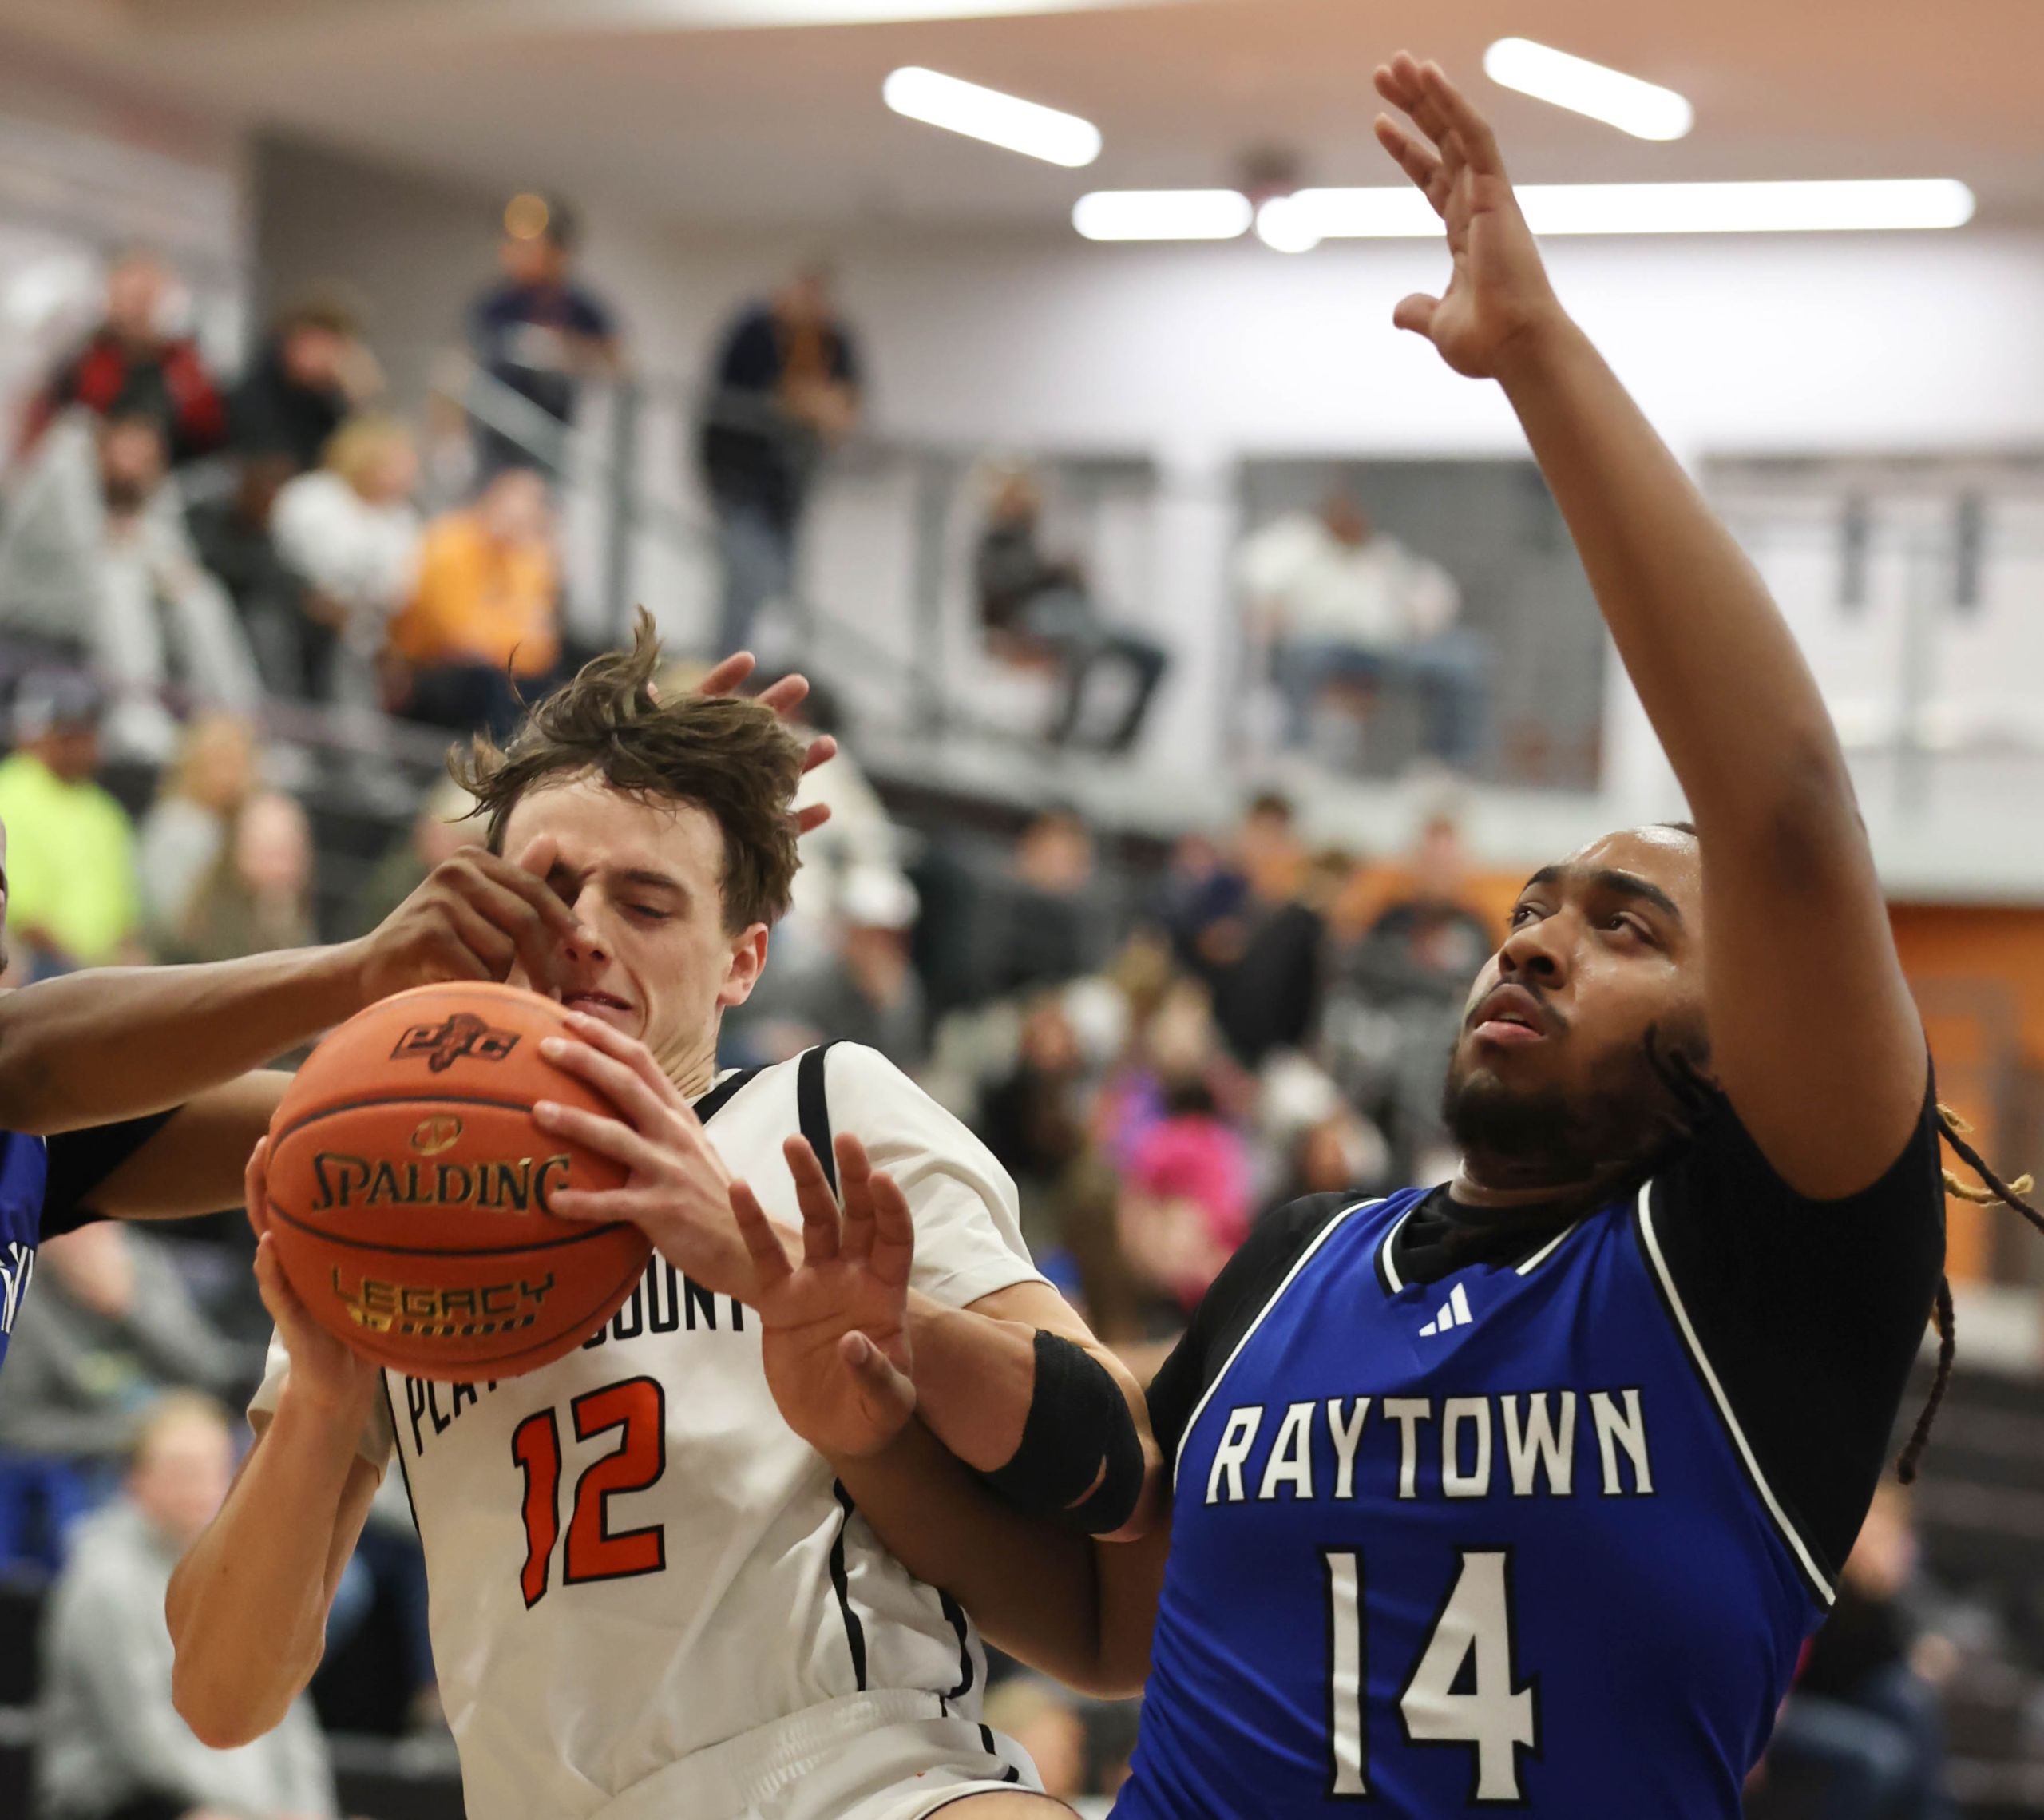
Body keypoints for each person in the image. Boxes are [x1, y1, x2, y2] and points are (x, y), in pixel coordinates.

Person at [724, 57, 1994, 1819]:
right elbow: (1098, 1621)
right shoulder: (1307, 1258)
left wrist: (1536, 357)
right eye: (1527, 907)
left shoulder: (1768, 1270)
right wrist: (863, 1429)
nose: (1531, 942)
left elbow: (1780, 808)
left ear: (1746, 1032)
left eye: (1622, 927)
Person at [166, 618, 1155, 1820]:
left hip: (852, 1770)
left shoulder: (822, 1109)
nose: (583, 928)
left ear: (742, 963)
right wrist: (325, 1401)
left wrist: (813, 1289)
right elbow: (220, 1694)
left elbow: (1125, 1454)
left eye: (644, 901)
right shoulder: (398, 1192)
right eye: (545, 890)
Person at [37, 1393, 338, 1820]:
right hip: (124, 1802)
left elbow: (289, 1720)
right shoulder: (104, 1581)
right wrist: (258, 1813)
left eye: (214, 1469)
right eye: (181, 1471)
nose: (199, 1486)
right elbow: (144, 1740)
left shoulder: (248, 1572)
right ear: (135, 1479)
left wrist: (312, 1815)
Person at [0, 411, 263, 754]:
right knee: (119, 580)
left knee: (200, 594)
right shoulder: (63, 470)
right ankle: (136, 713)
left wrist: (166, 562)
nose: (137, 464)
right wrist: (138, 546)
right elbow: (87, 559)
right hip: (34, 610)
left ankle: (239, 724)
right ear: (103, 445)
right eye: (129, 450)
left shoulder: (145, 490)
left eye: (148, 456)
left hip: (94, 615)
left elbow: (173, 561)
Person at [0, 1223, 244, 1572]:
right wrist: (129, 1434)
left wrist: (129, 1308)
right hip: (91, 1454)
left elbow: (210, 1370)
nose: (85, 1237)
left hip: (185, 1425)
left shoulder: (141, 1259)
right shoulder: (17, 1291)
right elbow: (14, 1426)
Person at [1238, 482, 1483, 768]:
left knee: (1461, 659)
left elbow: (1434, 598)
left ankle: (1444, 765)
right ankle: (1295, 755)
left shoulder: (1384, 553)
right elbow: (1258, 584)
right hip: (1322, 647)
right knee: (1301, 657)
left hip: (1387, 650)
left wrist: (1421, 618)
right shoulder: (1296, 547)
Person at [697, 264, 861, 654]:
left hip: (790, 486)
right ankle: (729, 663)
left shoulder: (832, 339)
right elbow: (763, 397)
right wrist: (808, 404)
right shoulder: (754, 332)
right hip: (738, 479)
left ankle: (765, 664)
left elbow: (848, 403)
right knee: (747, 578)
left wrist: (822, 408)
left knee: (780, 584)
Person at [975, 467, 1168, 753]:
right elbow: (999, 593)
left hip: (1079, 617)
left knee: (1155, 655)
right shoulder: (993, 543)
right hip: (1027, 621)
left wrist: (1072, 574)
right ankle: (1062, 734)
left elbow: (1074, 590)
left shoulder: (1035, 538)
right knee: (1081, 641)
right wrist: (1050, 570)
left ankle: (1120, 742)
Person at [386, 465, 562, 739]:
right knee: (489, 683)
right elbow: (454, 633)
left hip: (497, 670)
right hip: (430, 668)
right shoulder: (451, 542)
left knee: (547, 689)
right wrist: (506, 636)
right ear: (492, 499)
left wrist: (496, 638)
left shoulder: (529, 561)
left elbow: (541, 647)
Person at [15, 251, 227, 468]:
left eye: (147, 299)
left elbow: (210, 432)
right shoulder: (84, 360)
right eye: (130, 298)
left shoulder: (185, 367)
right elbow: (40, 428)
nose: (137, 311)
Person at [269, 414, 422, 706]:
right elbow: (289, 560)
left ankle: (352, 727)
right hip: (296, 605)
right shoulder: (314, 496)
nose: (407, 476)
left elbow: (399, 592)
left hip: (362, 626)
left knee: (372, 648)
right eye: (396, 465)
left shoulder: (404, 520)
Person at [466, 195, 620, 480]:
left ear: (558, 252)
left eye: (529, 246)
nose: (515, 254)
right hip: (496, 429)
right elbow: (463, 363)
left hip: (550, 434)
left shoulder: (581, 308)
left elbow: (616, 364)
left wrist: (565, 352)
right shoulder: (497, 305)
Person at [0, 675, 143, 979]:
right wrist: (83, 970)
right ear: (36, 734)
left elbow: (125, 915)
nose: (80, 747)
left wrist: (124, 963)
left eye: (87, 734)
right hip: (33, 963)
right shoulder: (8, 792)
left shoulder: (105, 810)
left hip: (102, 966)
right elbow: (22, 913)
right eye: (68, 735)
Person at [184, 454, 313, 698]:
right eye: (265, 486)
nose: (271, 496)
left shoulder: (282, 528)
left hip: (266, 610)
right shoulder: (209, 516)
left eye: (277, 488)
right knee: (260, 622)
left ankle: (280, 705)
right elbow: (211, 564)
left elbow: (289, 579)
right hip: (222, 603)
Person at [135, 712, 261, 949]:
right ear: (194, 766)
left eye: (237, 763)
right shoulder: (177, 826)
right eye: (219, 763)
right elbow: (172, 924)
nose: (230, 776)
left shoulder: (251, 826)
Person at [230, 291, 382, 475]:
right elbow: (269, 468)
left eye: (338, 348)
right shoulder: (253, 398)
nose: (330, 359)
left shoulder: (326, 401)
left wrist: (362, 399)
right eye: (323, 344)